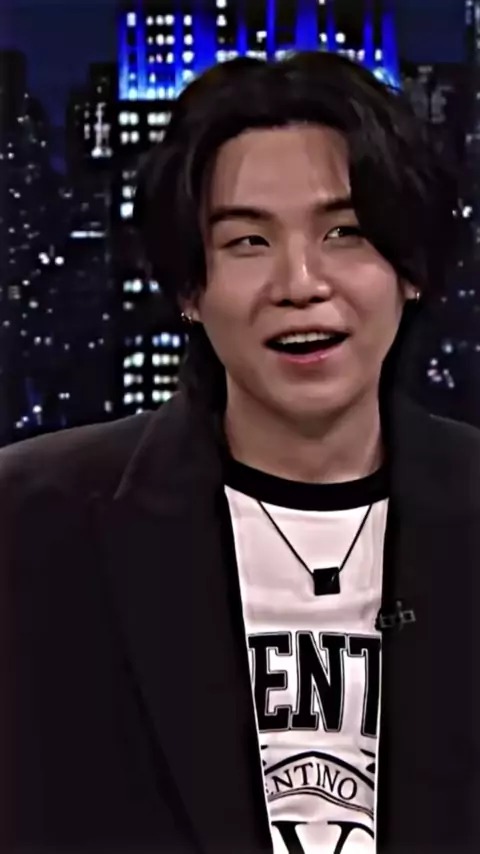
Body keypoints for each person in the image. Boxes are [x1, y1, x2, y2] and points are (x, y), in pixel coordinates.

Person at [0, 52, 479, 854]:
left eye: (345, 233)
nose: (300, 283)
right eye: (248, 241)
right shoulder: (30, 528)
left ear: (411, 269)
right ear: (190, 289)